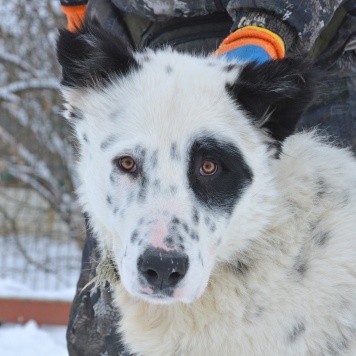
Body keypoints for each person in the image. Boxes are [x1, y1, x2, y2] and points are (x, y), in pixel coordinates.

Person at [59, 1, 356, 355]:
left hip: (306, 45)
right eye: (127, 164)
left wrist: (267, 24)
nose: (164, 249)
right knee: (95, 343)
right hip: (145, 43)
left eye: (209, 168)